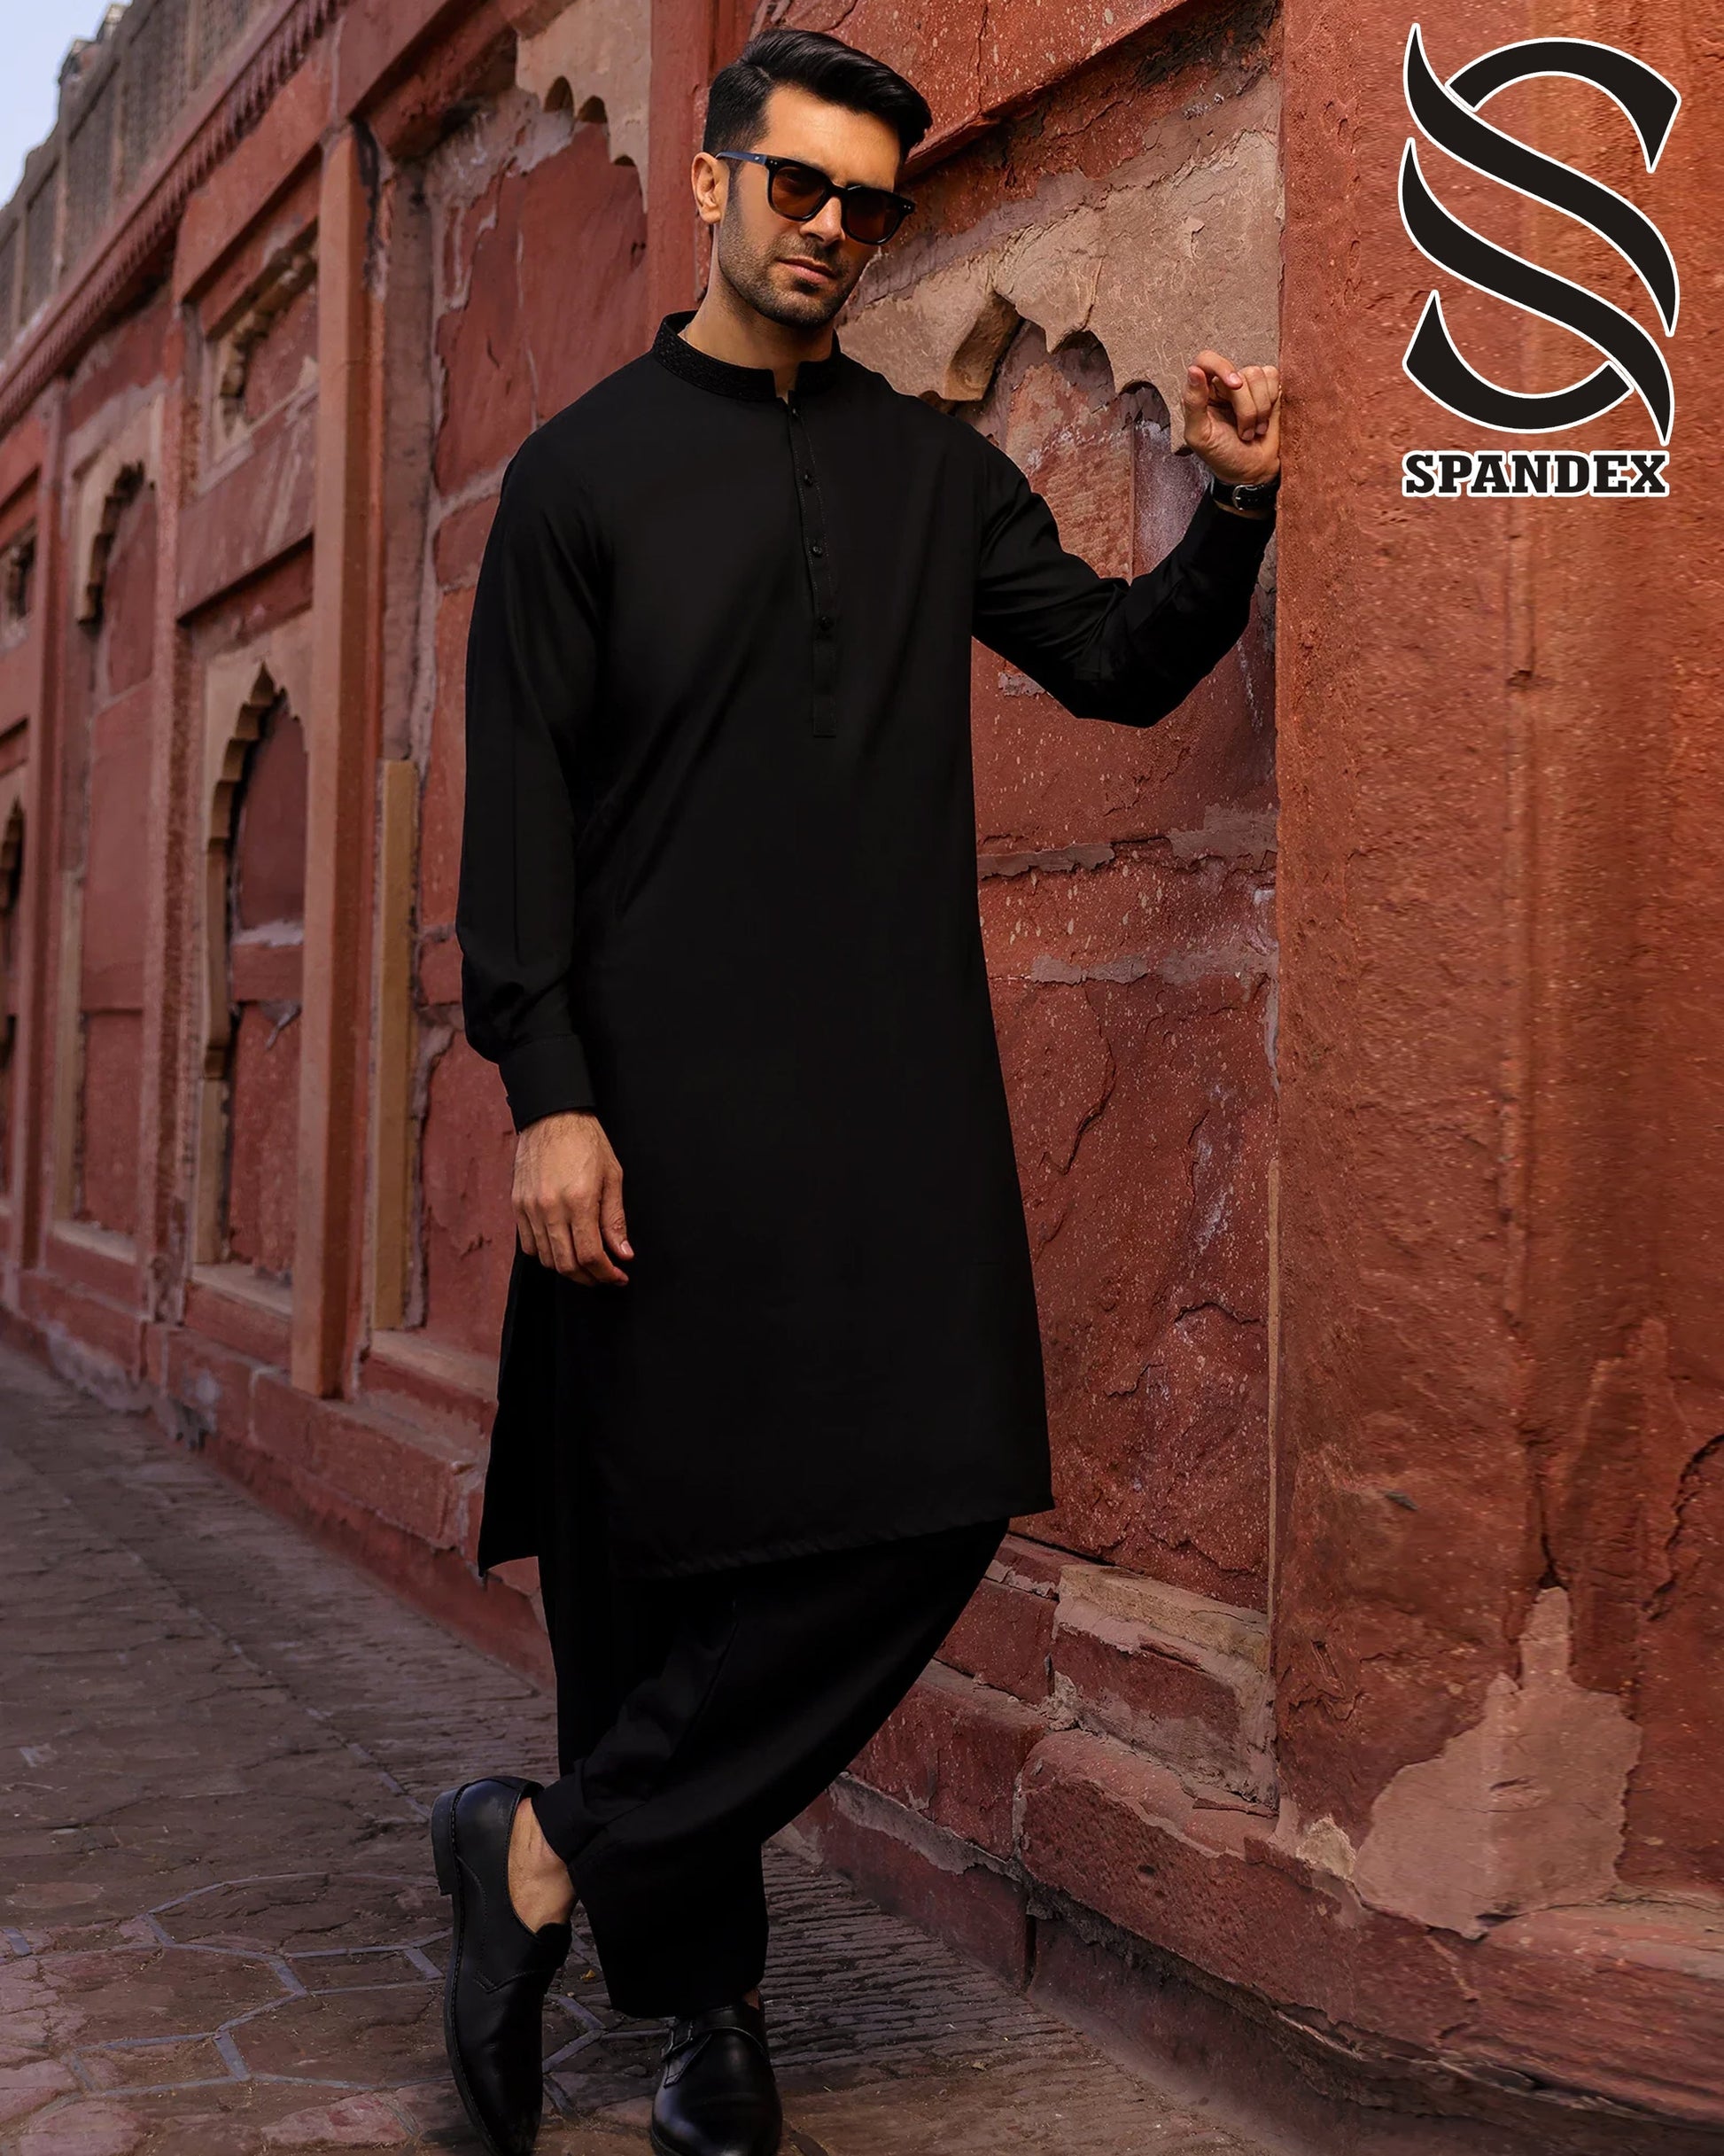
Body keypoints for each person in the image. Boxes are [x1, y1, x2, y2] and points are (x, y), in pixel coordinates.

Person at [435, 25, 1282, 2156]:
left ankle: (537, 1846)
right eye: (799, 184)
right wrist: (549, 1087)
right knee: (658, 1560)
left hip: (889, 1101)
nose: (832, 227)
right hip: (645, 1106)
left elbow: (1116, 659)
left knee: (933, 1491)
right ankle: (704, 2014)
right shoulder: (579, 478)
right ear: (717, 179)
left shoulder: (927, 473)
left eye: (866, 206)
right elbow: (517, 817)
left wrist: (1237, 502)